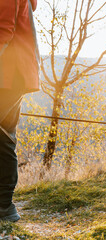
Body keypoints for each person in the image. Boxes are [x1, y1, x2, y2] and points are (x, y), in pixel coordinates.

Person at [0, 0, 40, 222]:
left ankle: (5, 206)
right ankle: (5, 207)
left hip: (7, 76)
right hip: (15, 76)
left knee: (4, 140)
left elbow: (3, 31)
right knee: (4, 140)